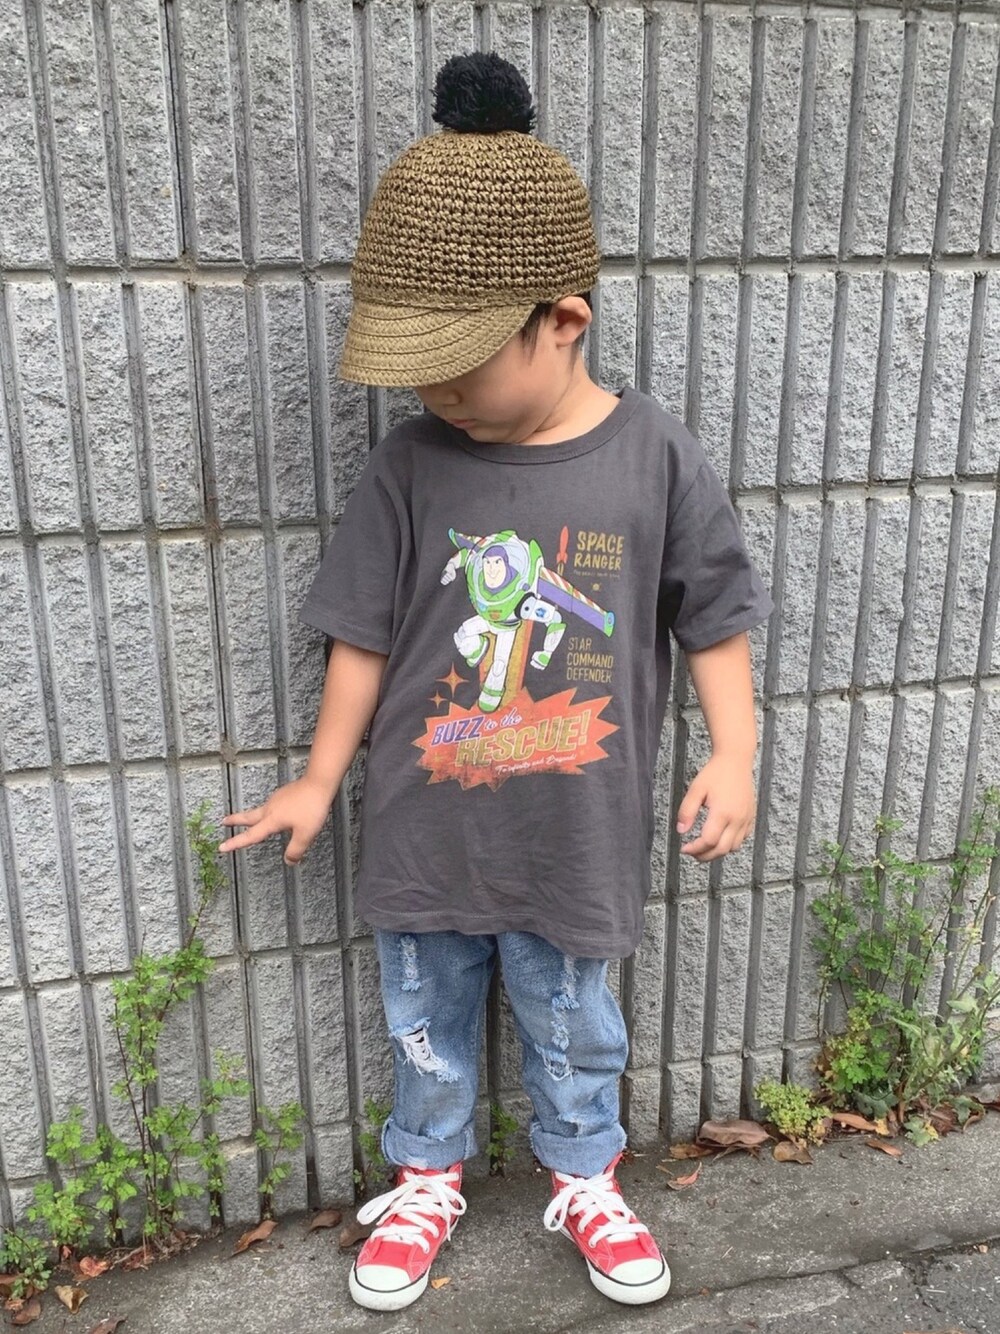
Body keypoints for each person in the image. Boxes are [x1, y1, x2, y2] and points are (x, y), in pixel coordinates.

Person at [219, 52, 774, 1313]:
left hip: (573, 832)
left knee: (574, 1018)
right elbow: (362, 632)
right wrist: (317, 777)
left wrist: (734, 752)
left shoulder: (652, 455)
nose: (436, 393)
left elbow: (713, 613)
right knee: (423, 1015)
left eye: (462, 365)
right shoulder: (412, 466)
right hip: (427, 830)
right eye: (417, 368)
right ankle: (425, 1174)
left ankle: (584, 1172)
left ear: (562, 320)